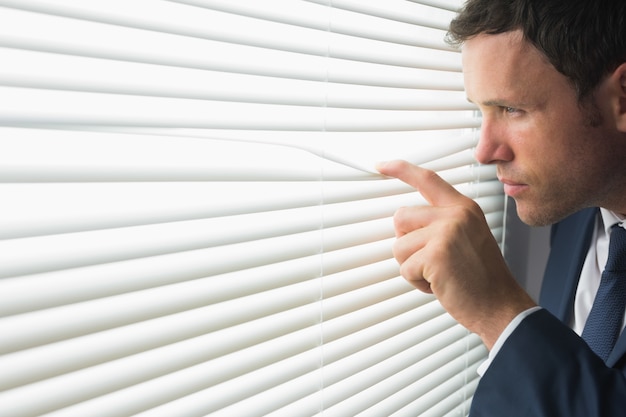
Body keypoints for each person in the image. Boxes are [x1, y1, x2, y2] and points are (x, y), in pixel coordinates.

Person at [376, 0, 626, 415]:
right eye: (481, 111)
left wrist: (501, 314)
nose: (484, 151)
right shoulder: (575, 211)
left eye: (512, 109)